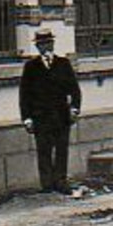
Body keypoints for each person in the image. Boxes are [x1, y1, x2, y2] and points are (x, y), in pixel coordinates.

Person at [19, 29, 81, 193]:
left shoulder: (63, 64)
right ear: (37, 47)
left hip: (61, 116)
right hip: (41, 117)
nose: (44, 47)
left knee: (61, 150)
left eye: (47, 43)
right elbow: (24, 94)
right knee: (44, 151)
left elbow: (74, 89)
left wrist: (75, 108)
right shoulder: (31, 67)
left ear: (52, 44)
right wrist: (26, 118)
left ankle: (60, 181)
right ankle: (46, 184)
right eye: (41, 44)